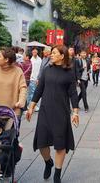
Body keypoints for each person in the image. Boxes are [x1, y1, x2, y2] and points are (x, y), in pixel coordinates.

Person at [25, 45, 80, 183]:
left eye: (54, 53)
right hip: (45, 110)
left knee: (60, 144)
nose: (51, 55)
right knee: (42, 143)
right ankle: (48, 162)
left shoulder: (69, 72)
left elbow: (73, 93)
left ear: (62, 56)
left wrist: (75, 112)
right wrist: (31, 107)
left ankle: (57, 173)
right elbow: (39, 89)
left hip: (61, 112)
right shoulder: (46, 70)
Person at [0, 48, 28, 117]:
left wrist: (21, 101)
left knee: (11, 128)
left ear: (6, 60)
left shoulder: (18, 71)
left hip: (14, 111)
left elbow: (23, 88)